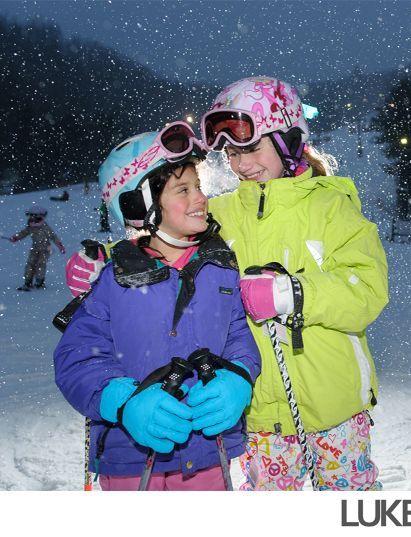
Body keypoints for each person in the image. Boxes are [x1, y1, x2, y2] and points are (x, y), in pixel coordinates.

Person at [66, 76, 389, 491]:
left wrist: (290, 293)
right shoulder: (224, 212)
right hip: (259, 413)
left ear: (289, 138)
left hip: (335, 404)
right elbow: (168, 236)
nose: (240, 165)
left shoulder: (331, 206)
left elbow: (366, 288)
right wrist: (106, 259)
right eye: (232, 154)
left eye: (251, 148)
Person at [54, 124, 261, 491]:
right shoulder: (114, 280)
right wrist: (124, 403)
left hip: (211, 455)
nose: (200, 198)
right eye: (184, 189)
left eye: (198, 186)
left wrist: (239, 377)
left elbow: (239, 338)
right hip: (132, 463)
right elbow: (76, 358)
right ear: (140, 205)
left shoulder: (220, 267)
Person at [8, 205, 65, 290]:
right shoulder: (30, 227)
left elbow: (53, 236)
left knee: (40, 265)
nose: (33, 220)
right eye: (31, 218)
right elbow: (23, 233)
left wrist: (60, 245)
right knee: (30, 264)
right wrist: (16, 237)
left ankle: (40, 282)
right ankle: (28, 282)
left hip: (45, 249)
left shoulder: (45, 227)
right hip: (34, 248)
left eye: (35, 218)